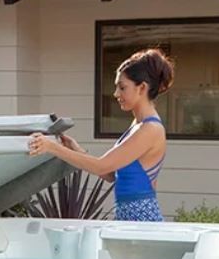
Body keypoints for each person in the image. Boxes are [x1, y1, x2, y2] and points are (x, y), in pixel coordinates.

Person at [28, 48, 174, 222]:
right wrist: (78, 150)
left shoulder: (150, 129)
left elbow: (101, 166)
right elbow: (111, 174)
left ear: (142, 88)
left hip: (142, 221)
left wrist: (52, 147)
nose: (116, 94)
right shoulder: (137, 125)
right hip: (127, 218)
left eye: (122, 87)